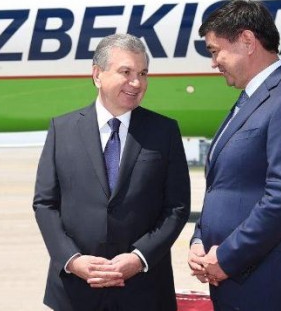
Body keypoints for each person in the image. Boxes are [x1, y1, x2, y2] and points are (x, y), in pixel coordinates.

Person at [188, 0, 281, 310]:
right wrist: (199, 240)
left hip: (270, 286)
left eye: (215, 50)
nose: (213, 62)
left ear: (247, 41)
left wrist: (226, 257)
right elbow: (223, 186)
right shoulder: (250, 100)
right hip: (235, 282)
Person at [33, 33, 191, 311]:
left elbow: (176, 207)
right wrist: (72, 260)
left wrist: (139, 257)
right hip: (75, 291)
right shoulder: (63, 129)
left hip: (144, 290)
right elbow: (45, 203)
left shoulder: (164, 132)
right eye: (126, 72)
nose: (137, 82)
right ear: (97, 74)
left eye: (143, 73)